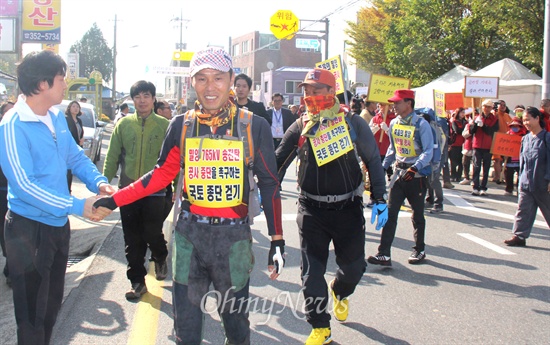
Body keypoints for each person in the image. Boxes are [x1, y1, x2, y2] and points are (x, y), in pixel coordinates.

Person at [94, 47, 285, 345]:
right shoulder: (181, 125)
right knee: (185, 331)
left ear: (232, 79)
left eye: (218, 78)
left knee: (236, 329)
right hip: (188, 238)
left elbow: (271, 184)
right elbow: (159, 175)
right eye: (202, 79)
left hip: (233, 241)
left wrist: (277, 240)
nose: (210, 88)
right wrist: (114, 199)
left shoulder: (252, 126)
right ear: (192, 83)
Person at [0, 50, 113, 345]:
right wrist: (77, 205)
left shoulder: (55, 117)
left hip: (57, 227)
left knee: (50, 308)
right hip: (27, 231)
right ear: (41, 85)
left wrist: (99, 183)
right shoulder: (12, 126)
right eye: (61, 79)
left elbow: (74, 157)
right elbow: (24, 185)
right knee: (31, 316)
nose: (65, 85)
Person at [276, 68, 388, 345]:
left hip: (348, 208)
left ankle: (340, 291)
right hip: (310, 210)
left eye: (316, 90)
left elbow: (373, 159)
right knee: (311, 272)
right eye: (306, 91)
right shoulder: (300, 124)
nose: (309, 96)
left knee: (354, 268)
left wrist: (380, 199)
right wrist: (262, 189)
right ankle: (319, 326)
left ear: (331, 92)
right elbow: (278, 161)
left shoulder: (351, 123)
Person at [103, 80, 170, 300]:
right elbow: (112, 156)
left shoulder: (164, 125)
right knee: (132, 238)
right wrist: (104, 184)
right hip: (128, 190)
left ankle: (160, 256)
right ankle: (137, 282)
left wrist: (179, 188)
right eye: (137, 97)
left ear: (153, 99)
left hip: (156, 191)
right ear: (132, 100)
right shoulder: (123, 125)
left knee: (152, 232)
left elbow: (173, 159)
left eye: (146, 96)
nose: (141, 101)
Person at [368, 89, 434, 267]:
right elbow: (392, 149)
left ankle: (419, 249)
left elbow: (428, 151)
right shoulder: (395, 123)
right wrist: (381, 168)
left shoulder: (421, 124)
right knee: (389, 214)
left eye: (397, 103)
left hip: (416, 176)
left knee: (417, 215)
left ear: (409, 103)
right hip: (398, 174)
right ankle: (384, 254)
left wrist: (416, 167)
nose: (393, 106)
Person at [504, 107, 550, 246]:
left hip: (543, 182)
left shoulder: (547, 138)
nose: (526, 123)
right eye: (524, 120)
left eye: (528, 119)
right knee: (523, 210)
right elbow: (523, 161)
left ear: (537, 119)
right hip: (526, 182)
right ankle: (519, 236)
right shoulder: (525, 139)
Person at [471, 99, 499, 196]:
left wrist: (483, 126)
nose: (486, 108)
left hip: (488, 146)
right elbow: (471, 132)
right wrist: (474, 124)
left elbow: (492, 132)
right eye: (485, 106)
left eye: (488, 107)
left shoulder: (495, 119)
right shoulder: (477, 117)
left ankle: (483, 187)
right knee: (476, 166)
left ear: (491, 108)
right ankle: (475, 186)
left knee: (486, 168)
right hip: (477, 145)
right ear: (482, 107)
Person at [0, 101, 15, 287]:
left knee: (11, 233)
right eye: (7, 111)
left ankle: (11, 267)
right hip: (1, 189)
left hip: (13, 193)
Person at [503, 117, 527, 196]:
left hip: (520, 158)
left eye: (517, 126)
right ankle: (509, 189)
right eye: (513, 126)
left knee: (520, 175)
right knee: (508, 174)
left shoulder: (524, 136)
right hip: (509, 158)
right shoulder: (507, 134)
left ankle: (519, 188)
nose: (515, 128)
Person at [64, 100, 84, 193]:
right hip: (68, 148)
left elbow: (80, 132)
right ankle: (67, 190)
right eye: (73, 106)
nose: (76, 108)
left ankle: (69, 189)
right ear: (69, 108)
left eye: (77, 107)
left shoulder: (79, 120)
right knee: (67, 170)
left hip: (77, 147)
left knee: (71, 170)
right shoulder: (66, 119)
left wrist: (81, 139)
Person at [492, 100, 513, 184]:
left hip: (507, 140)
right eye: (501, 105)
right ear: (497, 106)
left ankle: (503, 177)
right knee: (497, 160)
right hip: (497, 139)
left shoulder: (507, 115)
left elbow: (512, 125)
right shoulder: (495, 114)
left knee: (506, 159)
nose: (503, 106)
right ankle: (497, 177)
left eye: (504, 105)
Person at [449, 107, 466, 182]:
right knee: (453, 161)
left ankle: (459, 176)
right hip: (455, 144)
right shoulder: (454, 122)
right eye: (461, 112)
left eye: (463, 112)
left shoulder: (465, 122)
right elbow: (457, 131)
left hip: (463, 144)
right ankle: (453, 175)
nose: (463, 114)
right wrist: (465, 129)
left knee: (461, 161)